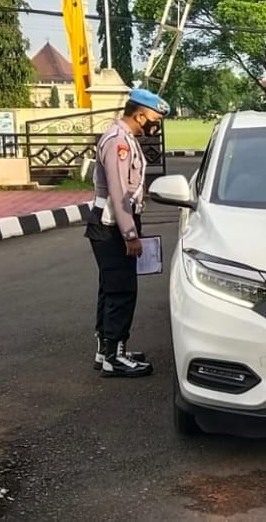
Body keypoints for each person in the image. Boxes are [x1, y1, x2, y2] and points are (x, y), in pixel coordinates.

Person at [87, 88, 169, 378]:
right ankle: (115, 357)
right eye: (155, 120)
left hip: (113, 223)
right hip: (113, 224)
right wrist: (130, 235)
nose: (156, 127)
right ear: (141, 115)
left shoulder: (123, 137)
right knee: (121, 290)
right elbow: (119, 190)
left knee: (111, 288)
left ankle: (106, 351)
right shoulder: (118, 141)